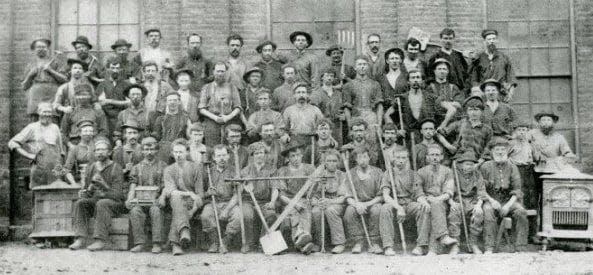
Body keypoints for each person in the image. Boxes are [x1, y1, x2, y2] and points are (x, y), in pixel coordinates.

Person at [68, 138, 126, 251]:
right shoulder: (92, 167)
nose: (100, 152)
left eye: (103, 150)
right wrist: (85, 192)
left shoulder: (116, 168)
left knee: (102, 203)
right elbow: (88, 191)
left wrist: (103, 185)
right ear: (94, 153)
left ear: (109, 152)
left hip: (114, 203)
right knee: (81, 203)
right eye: (97, 150)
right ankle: (80, 238)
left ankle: (100, 240)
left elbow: (118, 194)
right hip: (96, 200)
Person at [479, 137, 528, 253]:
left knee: (521, 211)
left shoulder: (512, 167)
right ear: (492, 152)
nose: (500, 152)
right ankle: (489, 247)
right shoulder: (485, 167)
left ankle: (520, 246)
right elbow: (481, 189)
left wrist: (508, 205)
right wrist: (492, 201)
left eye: (503, 150)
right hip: (491, 199)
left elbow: (517, 189)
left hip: (508, 200)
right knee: (488, 211)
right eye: (497, 150)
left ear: (507, 151)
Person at [379, 149, 430, 256]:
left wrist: (424, 202)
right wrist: (398, 208)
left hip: (409, 204)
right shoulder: (388, 173)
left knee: (422, 208)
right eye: (398, 158)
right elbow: (386, 196)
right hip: (394, 204)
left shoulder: (413, 174)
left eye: (403, 158)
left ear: (407, 159)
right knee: (384, 208)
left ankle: (421, 245)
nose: (401, 160)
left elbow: (419, 194)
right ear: (393, 159)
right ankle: (388, 246)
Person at [160, 138, 204, 255]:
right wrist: (189, 193)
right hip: (176, 202)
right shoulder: (168, 170)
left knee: (178, 210)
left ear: (187, 152)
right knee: (176, 199)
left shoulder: (196, 168)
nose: (178, 155)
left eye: (181, 152)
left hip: (192, 204)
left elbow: (200, 195)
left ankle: (175, 244)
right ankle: (183, 231)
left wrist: (192, 211)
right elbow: (172, 191)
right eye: (175, 152)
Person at [8, 103, 64, 188]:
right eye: (44, 112)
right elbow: (12, 143)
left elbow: (61, 150)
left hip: (55, 170)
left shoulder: (55, 128)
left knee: (55, 196)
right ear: (39, 112)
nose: (47, 114)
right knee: (39, 196)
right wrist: (28, 155)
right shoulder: (32, 127)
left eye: (49, 112)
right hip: (39, 169)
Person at [275, 141, 316, 254]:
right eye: (293, 156)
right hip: (288, 201)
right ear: (288, 158)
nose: (296, 158)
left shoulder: (309, 168)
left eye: (298, 155)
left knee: (304, 208)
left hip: (305, 199)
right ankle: (303, 237)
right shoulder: (283, 171)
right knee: (293, 211)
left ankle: (300, 241)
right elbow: (281, 195)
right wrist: (295, 204)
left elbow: (314, 188)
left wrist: (307, 199)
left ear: (302, 155)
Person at [127, 137, 167, 254]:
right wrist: (130, 198)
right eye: (146, 149)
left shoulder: (163, 166)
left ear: (156, 150)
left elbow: (166, 185)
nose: (149, 152)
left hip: (156, 200)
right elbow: (133, 185)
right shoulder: (136, 167)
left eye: (152, 149)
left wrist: (162, 197)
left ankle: (156, 243)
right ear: (142, 151)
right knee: (135, 211)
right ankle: (140, 243)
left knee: (155, 210)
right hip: (140, 201)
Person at [200, 145, 243, 253]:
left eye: (224, 155)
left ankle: (225, 241)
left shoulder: (234, 171)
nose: (222, 158)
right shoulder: (208, 172)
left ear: (228, 156)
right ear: (214, 158)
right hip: (213, 202)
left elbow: (237, 194)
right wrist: (208, 193)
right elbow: (201, 193)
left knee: (238, 215)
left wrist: (227, 210)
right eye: (218, 156)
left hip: (230, 203)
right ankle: (214, 241)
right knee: (206, 215)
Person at [416, 144, 458, 255]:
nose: (435, 157)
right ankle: (441, 238)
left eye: (437, 155)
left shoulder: (447, 171)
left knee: (437, 205)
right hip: (426, 201)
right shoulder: (421, 172)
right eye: (432, 155)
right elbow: (418, 191)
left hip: (442, 201)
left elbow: (449, 191)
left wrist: (438, 199)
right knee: (427, 208)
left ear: (441, 157)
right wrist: (424, 201)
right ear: (427, 157)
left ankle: (429, 248)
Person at [341, 146, 384, 254]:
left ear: (369, 158)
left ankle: (374, 242)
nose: (363, 160)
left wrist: (368, 204)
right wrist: (357, 205)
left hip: (373, 202)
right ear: (356, 159)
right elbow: (348, 197)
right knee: (349, 212)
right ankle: (358, 242)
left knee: (377, 210)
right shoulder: (350, 173)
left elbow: (381, 196)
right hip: (357, 203)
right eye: (360, 157)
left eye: (365, 157)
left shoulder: (378, 172)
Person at [239, 142, 280, 252]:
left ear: (265, 154)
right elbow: (239, 190)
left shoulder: (271, 170)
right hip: (248, 201)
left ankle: (263, 243)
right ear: (252, 156)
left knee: (271, 215)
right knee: (247, 215)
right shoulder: (245, 171)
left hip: (264, 201)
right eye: (256, 153)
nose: (259, 155)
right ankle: (249, 243)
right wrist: (244, 185)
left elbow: (275, 188)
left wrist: (272, 202)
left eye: (261, 152)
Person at [447, 150, 488, 254]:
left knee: (478, 214)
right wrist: (451, 202)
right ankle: (455, 245)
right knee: (454, 213)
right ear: (461, 164)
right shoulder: (454, 174)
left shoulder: (477, 174)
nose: (470, 167)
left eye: (472, 164)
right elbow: (449, 190)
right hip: (458, 200)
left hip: (472, 200)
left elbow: (481, 190)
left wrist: (479, 205)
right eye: (467, 164)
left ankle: (473, 243)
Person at [308, 149, 347, 254]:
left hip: (338, 204)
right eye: (329, 161)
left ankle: (339, 242)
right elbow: (312, 196)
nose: (332, 163)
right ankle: (319, 243)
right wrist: (317, 202)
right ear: (324, 162)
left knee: (330, 210)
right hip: (322, 202)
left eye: (334, 161)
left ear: (338, 162)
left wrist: (330, 202)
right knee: (316, 212)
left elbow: (344, 197)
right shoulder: (319, 176)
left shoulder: (343, 176)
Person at [198, 62, 243, 146]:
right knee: (212, 148)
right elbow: (201, 108)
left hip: (229, 122)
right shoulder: (206, 87)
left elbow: (238, 107)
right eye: (218, 71)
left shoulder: (232, 87)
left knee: (229, 148)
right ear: (213, 72)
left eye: (222, 71)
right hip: (212, 123)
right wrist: (215, 118)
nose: (220, 74)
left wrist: (228, 117)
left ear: (226, 72)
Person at [22, 38, 67, 120]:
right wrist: (30, 75)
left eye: (43, 47)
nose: (41, 49)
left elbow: (64, 80)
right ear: (34, 49)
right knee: (35, 121)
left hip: (52, 95)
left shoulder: (55, 62)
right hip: (36, 97)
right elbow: (24, 86)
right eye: (38, 47)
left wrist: (51, 71)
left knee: (53, 119)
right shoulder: (30, 64)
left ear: (47, 49)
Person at [438, 96, 493, 162]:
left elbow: (488, 147)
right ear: (467, 111)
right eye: (470, 109)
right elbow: (439, 133)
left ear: (481, 111)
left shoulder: (487, 129)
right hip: (459, 159)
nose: (473, 113)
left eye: (476, 110)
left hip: (477, 161)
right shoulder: (459, 124)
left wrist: (482, 160)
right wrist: (449, 146)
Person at [384, 70, 436, 138]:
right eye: (413, 78)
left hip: (427, 136)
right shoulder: (402, 98)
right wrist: (396, 131)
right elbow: (387, 115)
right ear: (408, 82)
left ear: (422, 81)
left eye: (418, 77)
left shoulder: (430, 97)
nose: (415, 80)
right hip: (408, 137)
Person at [508, 122, 538, 241]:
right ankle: (517, 235)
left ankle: (532, 234)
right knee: (519, 200)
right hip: (516, 171)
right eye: (519, 129)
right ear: (515, 131)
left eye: (524, 130)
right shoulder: (510, 143)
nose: (522, 132)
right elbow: (504, 157)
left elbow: (534, 157)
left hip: (529, 172)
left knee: (531, 200)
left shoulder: (529, 144)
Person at [470, 29, 517, 102]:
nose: (492, 41)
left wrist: (510, 94)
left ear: (497, 41)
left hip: (501, 95)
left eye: (494, 39)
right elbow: (474, 79)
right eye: (489, 39)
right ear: (484, 41)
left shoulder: (504, 57)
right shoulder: (478, 58)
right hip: (485, 95)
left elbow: (511, 77)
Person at [342, 55, 384, 128]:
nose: (362, 66)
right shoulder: (348, 86)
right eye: (359, 64)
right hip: (355, 118)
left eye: (364, 64)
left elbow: (379, 106)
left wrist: (379, 124)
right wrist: (349, 126)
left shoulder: (375, 84)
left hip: (371, 118)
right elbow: (347, 108)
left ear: (368, 66)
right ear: (355, 67)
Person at [96, 57, 132, 141]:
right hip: (106, 119)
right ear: (108, 69)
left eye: (117, 68)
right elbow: (100, 103)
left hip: (122, 118)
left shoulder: (126, 84)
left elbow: (130, 103)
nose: (115, 70)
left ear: (121, 69)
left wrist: (110, 101)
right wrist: (122, 102)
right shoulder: (103, 84)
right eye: (112, 68)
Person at [310, 68, 347, 145]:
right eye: (327, 75)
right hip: (323, 128)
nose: (329, 78)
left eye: (332, 76)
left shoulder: (339, 94)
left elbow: (343, 110)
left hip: (337, 128)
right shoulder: (316, 94)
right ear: (322, 77)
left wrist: (344, 116)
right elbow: (313, 114)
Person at [151, 91, 190, 163]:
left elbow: (189, 137)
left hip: (179, 149)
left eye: (175, 100)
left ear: (179, 102)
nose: (172, 102)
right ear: (166, 102)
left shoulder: (186, 119)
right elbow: (156, 138)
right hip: (163, 151)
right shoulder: (160, 119)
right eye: (170, 100)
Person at [430, 58, 464, 129]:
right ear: (434, 71)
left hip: (452, 123)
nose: (442, 71)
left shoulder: (453, 87)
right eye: (439, 69)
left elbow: (459, 104)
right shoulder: (430, 87)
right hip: (434, 122)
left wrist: (444, 104)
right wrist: (450, 103)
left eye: (444, 69)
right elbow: (430, 104)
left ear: (448, 71)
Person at [63, 120, 96, 186]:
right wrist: (74, 184)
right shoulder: (75, 149)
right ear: (80, 133)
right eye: (85, 131)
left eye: (90, 131)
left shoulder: (97, 147)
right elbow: (66, 170)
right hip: (80, 181)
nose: (88, 133)